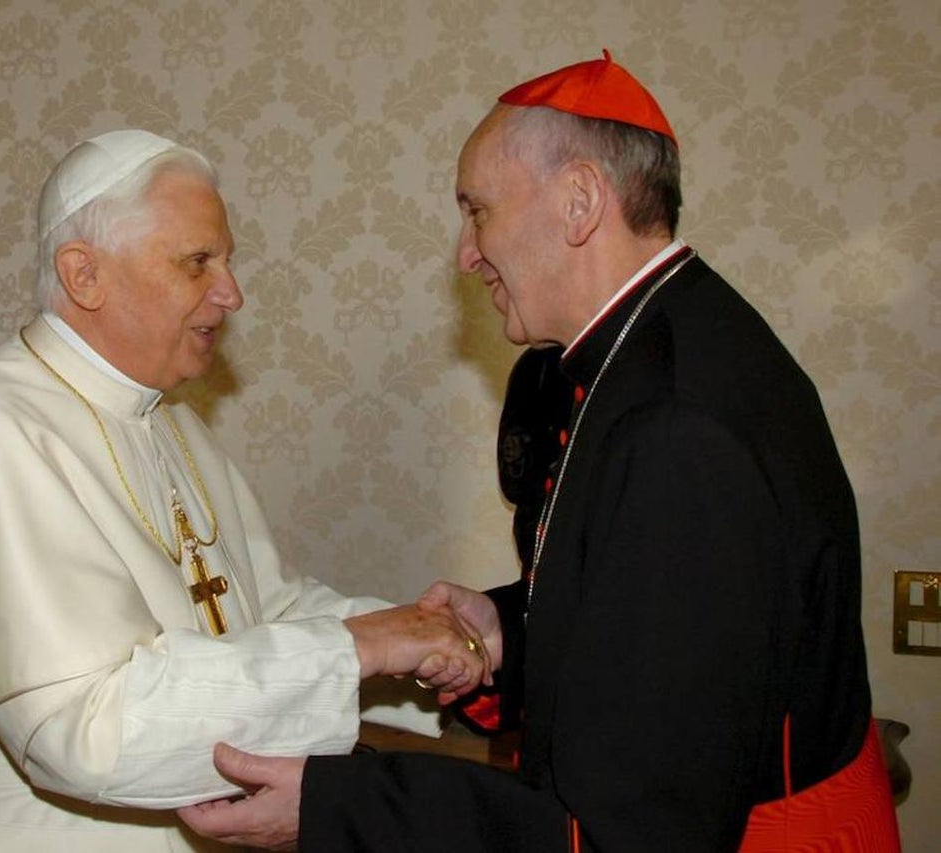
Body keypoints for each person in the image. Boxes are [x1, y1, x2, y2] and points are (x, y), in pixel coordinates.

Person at [176, 51, 902, 851]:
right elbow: (658, 631)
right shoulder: (651, 347)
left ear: (580, 202)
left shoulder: (677, 425)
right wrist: (509, 627)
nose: (464, 252)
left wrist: (338, 803)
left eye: (477, 210)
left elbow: (634, 827)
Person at [0, 129, 490, 853]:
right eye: (197, 263)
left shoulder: (165, 419)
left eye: (228, 260)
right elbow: (88, 731)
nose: (232, 292)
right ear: (85, 274)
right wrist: (355, 648)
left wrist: (431, 645)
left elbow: (266, 612)